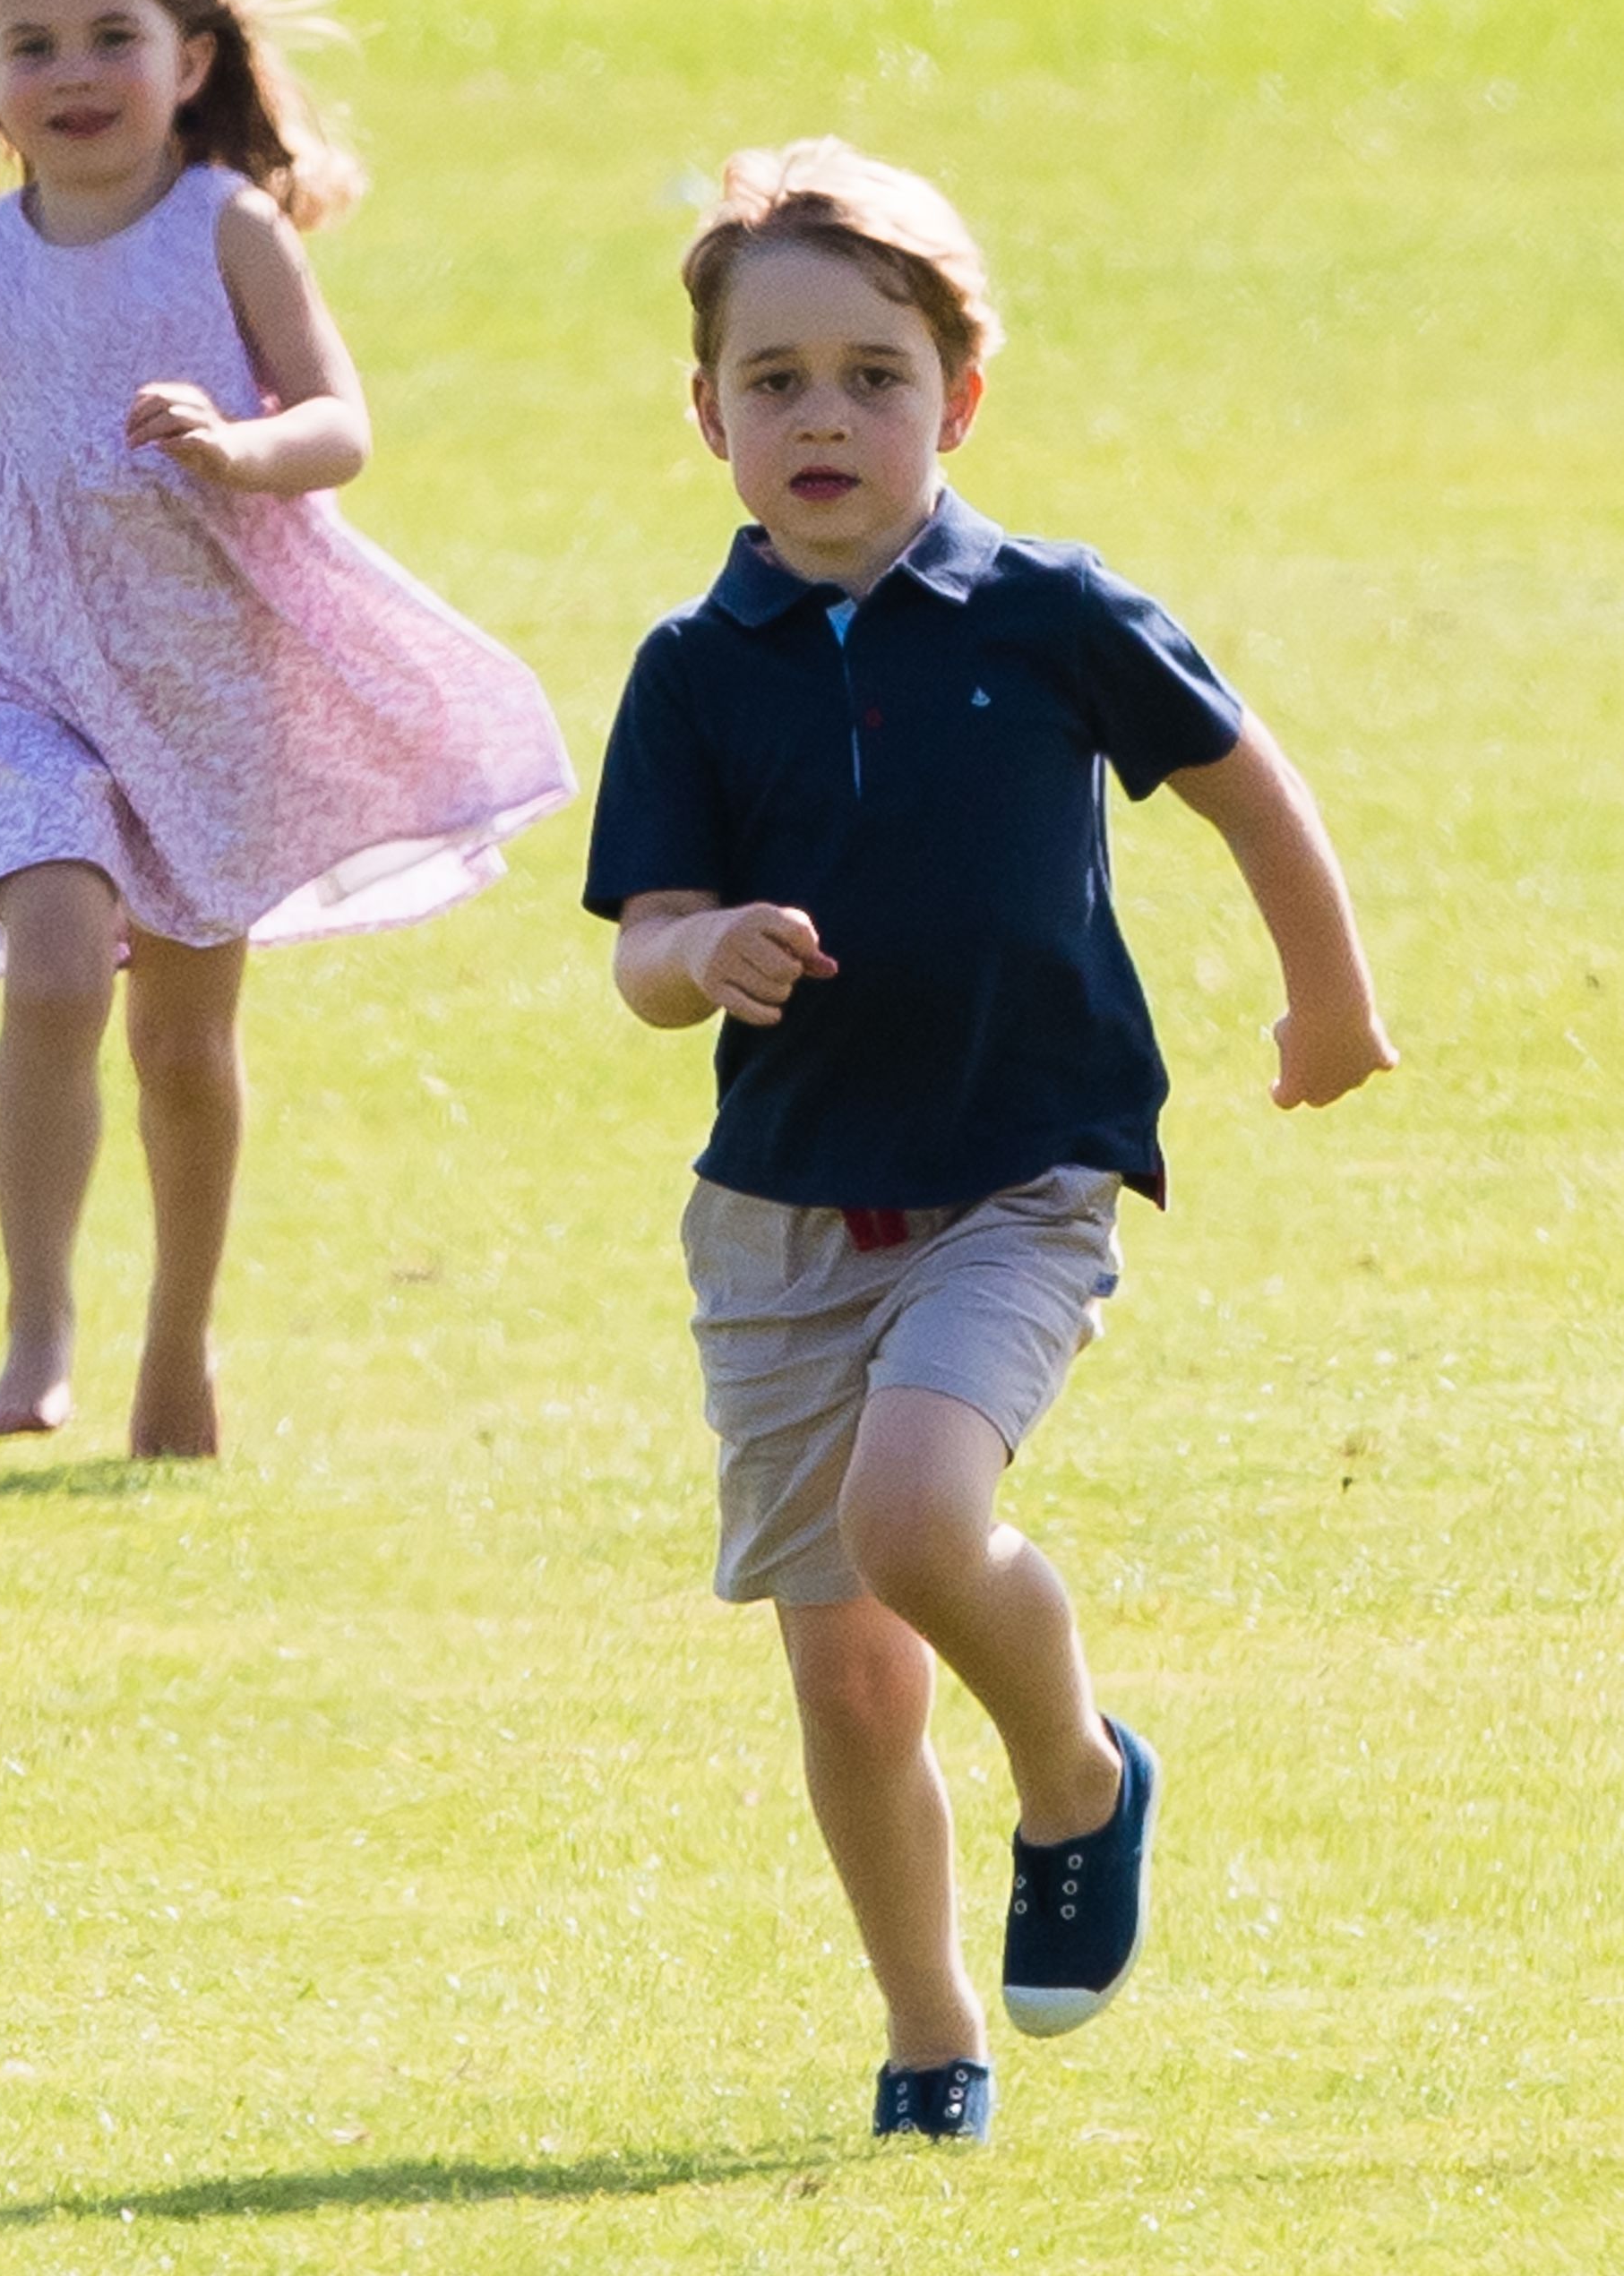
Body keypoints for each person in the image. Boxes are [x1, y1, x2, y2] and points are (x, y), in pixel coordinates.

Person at [584, 140, 1394, 2143]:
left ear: (958, 397)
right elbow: (640, 952)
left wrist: (1330, 997)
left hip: (1020, 1175)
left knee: (915, 1518)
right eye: (774, 381)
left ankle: (1079, 1776)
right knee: (850, 1674)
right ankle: (931, 2039)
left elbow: (1243, 781)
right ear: (709, 417)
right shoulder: (692, 673)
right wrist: (708, 957)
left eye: (872, 372)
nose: (823, 416)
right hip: (780, 1214)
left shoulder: (1050, 616)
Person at [0, 0, 571, 1460]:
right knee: (53, 964)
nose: (73, 73)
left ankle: (174, 1354)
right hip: (21, 671)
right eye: (29, 45)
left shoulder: (227, 227)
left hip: (206, 674)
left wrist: (240, 449)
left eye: (111, 36)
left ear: (189, 59)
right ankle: (37, 1320)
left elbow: (340, 424)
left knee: (183, 1036)